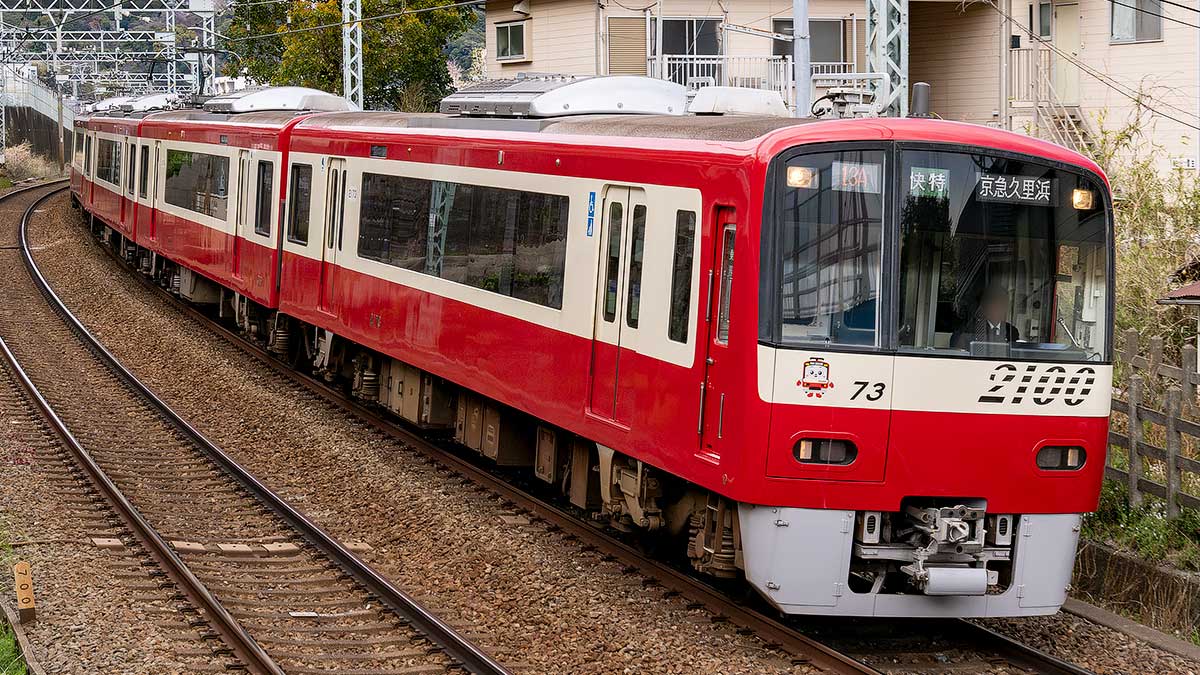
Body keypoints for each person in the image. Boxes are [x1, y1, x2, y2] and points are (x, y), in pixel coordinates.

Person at [951, 283, 1019, 349]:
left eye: (1002, 304)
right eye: (994, 304)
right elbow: (958, 354)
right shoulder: (969, 330)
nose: (999, 308)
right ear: (984, 307)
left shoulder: (1012, 331)